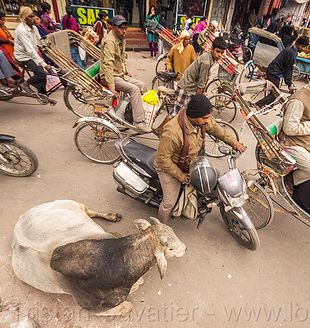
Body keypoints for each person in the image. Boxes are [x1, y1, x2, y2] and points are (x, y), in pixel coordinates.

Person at [154, 93, 247, 223]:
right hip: (169, 167)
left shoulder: (201, 121)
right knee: (169, 203)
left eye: (208, 117)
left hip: (192, 163)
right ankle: (159, 227)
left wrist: (234, 143)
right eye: (205, 118)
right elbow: (162, 159)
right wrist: (179, 175)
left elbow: (217, 129)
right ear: (194, 116)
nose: (208, 121)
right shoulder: (172, 132)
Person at [99, 15, 150, 132]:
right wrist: (112, 88)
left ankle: (139, 112)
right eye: (121, 28)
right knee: (134, 89)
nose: (124, 31)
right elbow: (108, 65)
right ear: (113, 28)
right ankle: (139, 121)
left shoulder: (121, 39)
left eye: (125, 28)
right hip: (110, 76)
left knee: (142, 85)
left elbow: (121, 58)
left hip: (120, 75)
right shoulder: (110, 42)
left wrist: (126, 71)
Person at [171, 36, 227, 118]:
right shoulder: (206, 62)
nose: (219, 55)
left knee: (188, 115)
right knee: (176, 114)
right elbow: (201, 84)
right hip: (186, 87)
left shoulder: (211, 58)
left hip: (192, 87)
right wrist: (198, 100)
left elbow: (205, 79)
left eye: (222, 53)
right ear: (212, 49)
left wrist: (203, 93)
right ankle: (159, 129)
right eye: (218, 51)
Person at [255, 36, 310, 108]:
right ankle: (258, 104)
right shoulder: (291, 53)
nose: (302, 49)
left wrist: (289, 80)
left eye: (304, 47)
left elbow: (288, 69)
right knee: (275, 95)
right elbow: (288, 69)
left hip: (273, 71)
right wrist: (289, 84)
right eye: (302, 46)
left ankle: (266, 104)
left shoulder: (290, 50)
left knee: (274, 90)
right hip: (273, 73)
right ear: (297, 44)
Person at [14, 7, 51, 94]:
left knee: (42, 73)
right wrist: (44, 65)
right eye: (30, 17)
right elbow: (30, 50)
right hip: (24, 56)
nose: (34, 19)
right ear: (25, 18)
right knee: (41, 73)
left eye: (33, 16)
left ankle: (42, 94)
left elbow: (40, 41)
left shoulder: (34, 28)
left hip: (32, 54)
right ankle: (25, 83)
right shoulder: (21, 30)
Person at [61, 4, 85, 69]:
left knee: (70, 59)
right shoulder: (73, 20)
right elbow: (74, 32)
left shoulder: (63, 18)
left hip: (66, 41)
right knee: (77, 60)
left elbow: (62, 28)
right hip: (73, 42)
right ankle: (80, 73)